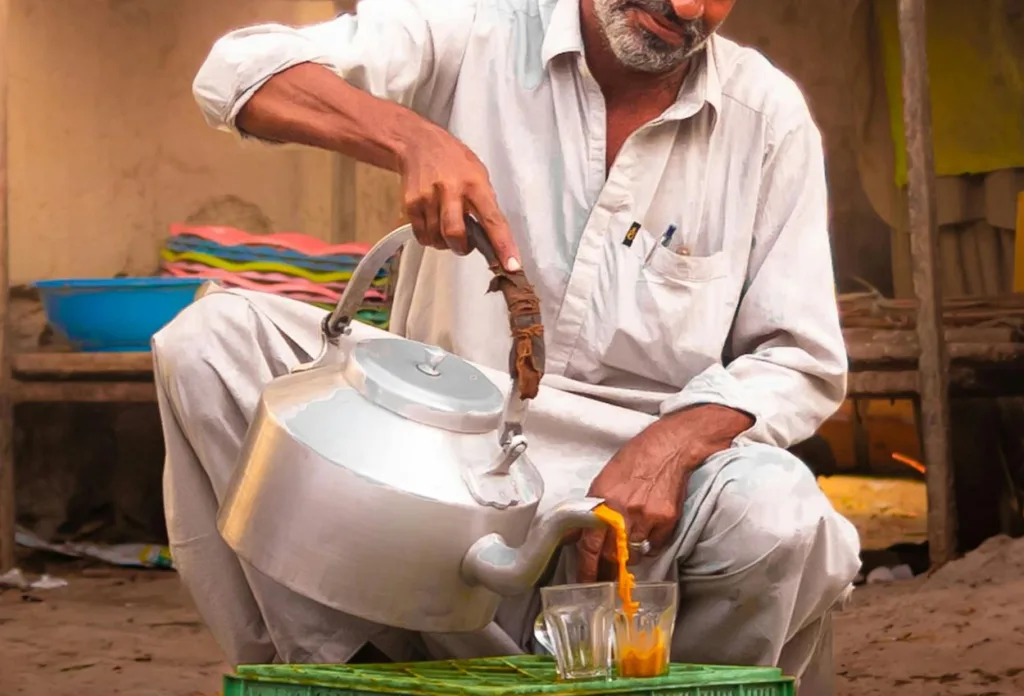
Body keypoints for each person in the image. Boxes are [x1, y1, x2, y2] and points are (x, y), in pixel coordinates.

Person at [154, 0, 861, 692]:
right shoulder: (474, 25)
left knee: (779, 515)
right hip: (436, 437)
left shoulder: (764, 116)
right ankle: (347, 671)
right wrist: (412, 139)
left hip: (640, 476)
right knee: (212, 342)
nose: (684, 6)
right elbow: (237, 70)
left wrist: (669, 448)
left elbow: (797, 356)